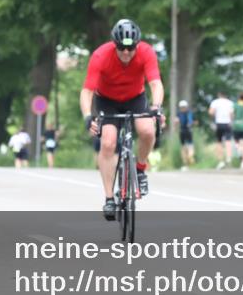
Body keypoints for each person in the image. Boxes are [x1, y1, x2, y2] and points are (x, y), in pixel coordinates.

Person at [80, 19, 164, 220]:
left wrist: (156, 107)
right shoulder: (100, 56)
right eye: (121, 48)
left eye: (130, 48)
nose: (126, 52)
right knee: (108, 142)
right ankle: (109, 198)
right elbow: (87, 91)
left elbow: (155, 84)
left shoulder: (146, 52)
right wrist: (87, 116)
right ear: (113, 44)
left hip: (135, 98)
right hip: (106, 101)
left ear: (137, 44)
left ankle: (141, 169)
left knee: (148, 130)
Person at [208, 91, 235, 169]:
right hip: (228, 123)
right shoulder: (230, 103)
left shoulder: (215, 102)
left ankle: (221, 161)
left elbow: (211, 112)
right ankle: (229, 158)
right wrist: (231, 121)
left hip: (219, 123)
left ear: (219, 95)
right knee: (228, 142)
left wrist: (214, 117)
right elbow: (232, 114)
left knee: (219, 142)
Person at [175, 100, 196, 170]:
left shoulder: (178, 113)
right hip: (188, 131)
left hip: (182, 131)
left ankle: (185, 163)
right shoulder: (189, 113)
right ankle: (190, 156)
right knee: (190, 146)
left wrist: (176, 127)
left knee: (183, 147)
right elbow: (191, 121)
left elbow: (176, 121)